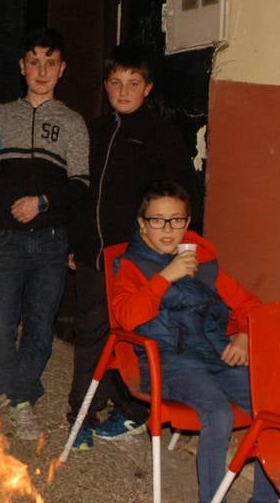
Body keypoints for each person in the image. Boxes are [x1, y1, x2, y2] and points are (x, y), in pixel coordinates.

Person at [108, 181, 280, 503]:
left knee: (274, 406)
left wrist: (243, 334)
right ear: (142, 224)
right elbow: (127, 317)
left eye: (176, 220)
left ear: (187, 221)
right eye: (158, 220)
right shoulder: (131, 265)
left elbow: (249, 304)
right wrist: (166, 276)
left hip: (215, 354)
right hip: (168, 362)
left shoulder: (204, 261)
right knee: (218, 414)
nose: (168, 229)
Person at [67, 42, 200, 450]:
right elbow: (81, 193)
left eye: (133, 83)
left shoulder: (162, 134)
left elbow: (183, 194)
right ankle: (82, 415)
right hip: (94, 256)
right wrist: (78, 242)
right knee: (91, 333)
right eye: (115, 83)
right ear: (105, 85)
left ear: (148, 88)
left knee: (136, 334)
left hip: (138, 260)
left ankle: (132, 411)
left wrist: (175, 247)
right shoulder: (93, 131)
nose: (123, 92)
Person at [0, 28, 89, 440]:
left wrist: (42, 202)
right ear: (22, 67)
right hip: (4, 239)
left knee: (40, 325)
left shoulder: (72, 122)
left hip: (50, 240)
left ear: (62, 70)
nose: (41, 71)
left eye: (50, 63)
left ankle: (22, 398)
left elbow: (81, 182)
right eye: (34, 62)